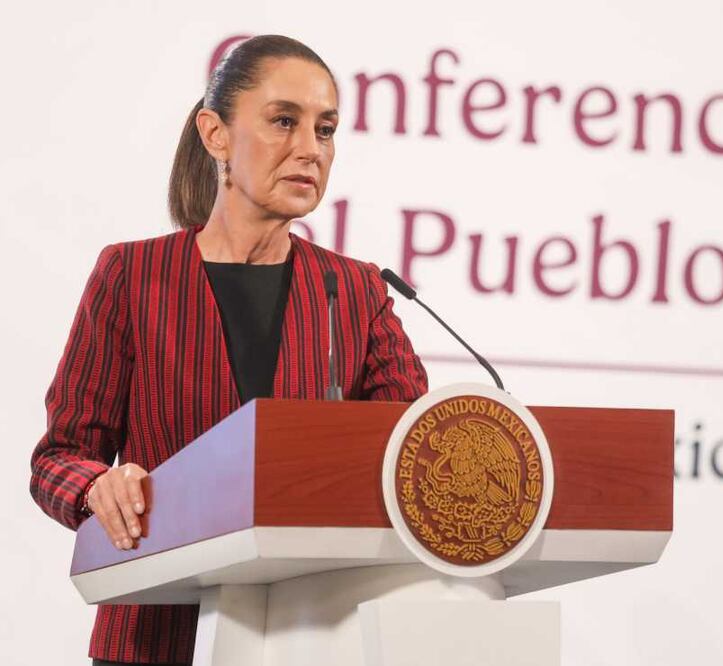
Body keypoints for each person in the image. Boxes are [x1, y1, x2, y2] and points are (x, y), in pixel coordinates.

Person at [28, 35, 429, 665]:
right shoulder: (132, 275)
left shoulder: (354, 290)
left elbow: (416, 454)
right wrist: (97, 489)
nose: (310, 150)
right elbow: (58, 456)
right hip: (155, 634)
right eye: (283, 122)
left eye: (325, 130)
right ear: (215, 135)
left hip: (311, 636)